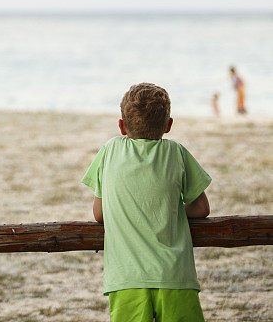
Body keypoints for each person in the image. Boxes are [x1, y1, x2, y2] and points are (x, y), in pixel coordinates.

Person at [82, 83, 211, 322]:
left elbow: (99, 214)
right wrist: (170, 209)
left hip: (126, 279)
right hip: (175, 276)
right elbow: (201, 208)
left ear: (121, 126)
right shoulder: (176, 152)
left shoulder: (109, 151)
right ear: (168, 125)